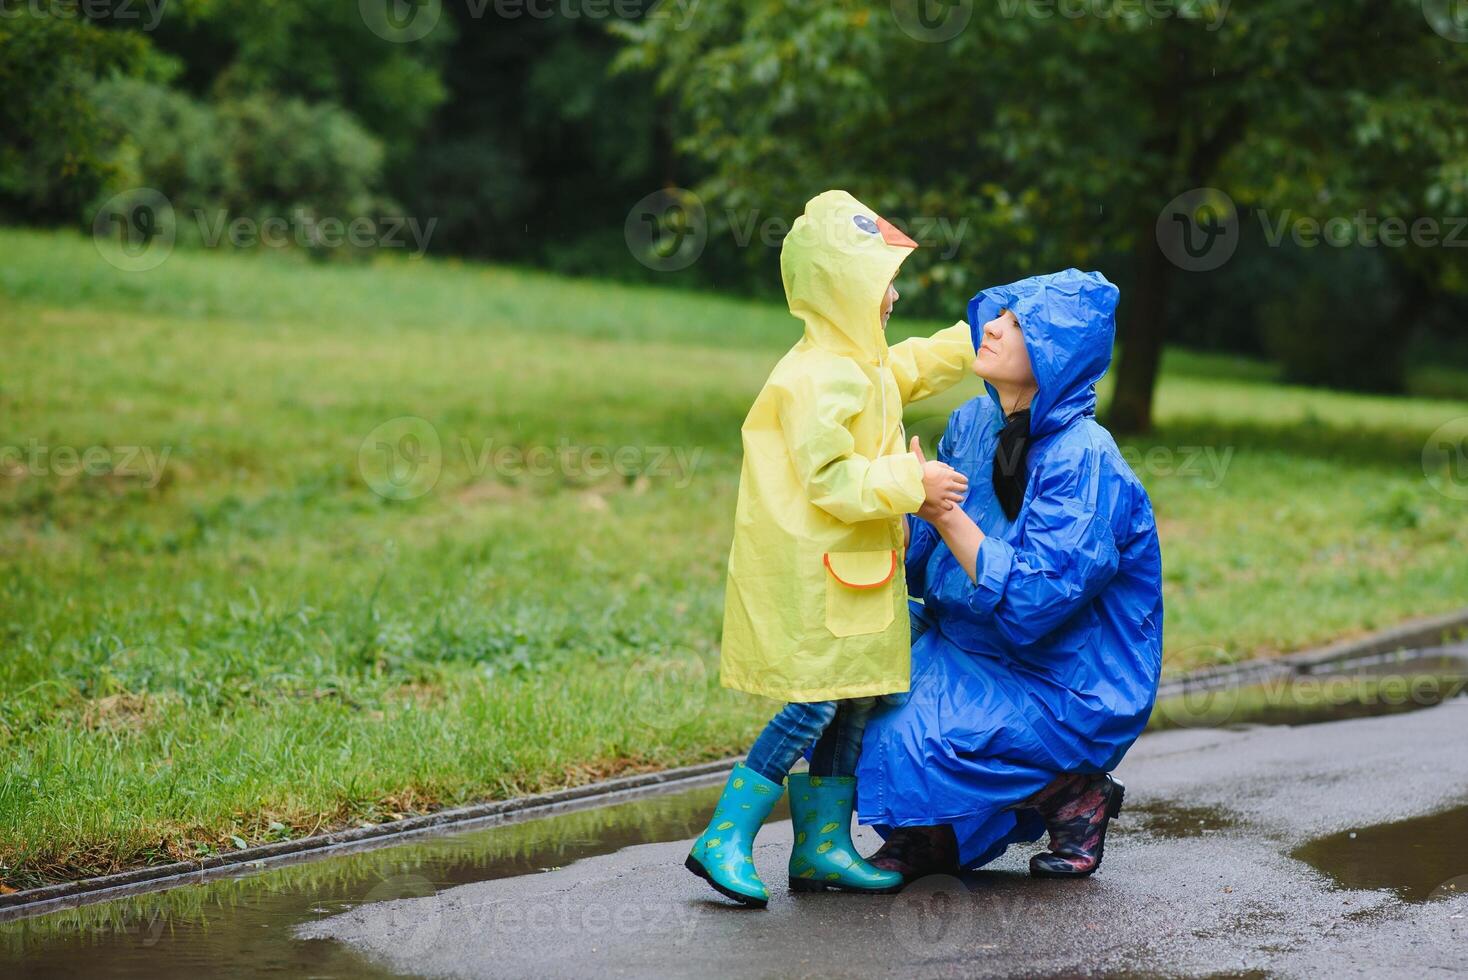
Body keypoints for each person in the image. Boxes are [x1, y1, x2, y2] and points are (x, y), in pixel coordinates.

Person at [685, 190, 976, 908]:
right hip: (818, 571)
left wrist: (972, 341)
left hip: (853, 571)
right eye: (880, 283)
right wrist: (915, 480)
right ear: (841, 290)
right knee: (814, 703)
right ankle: (724, 834)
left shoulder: (857, 358)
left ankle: (823, 844)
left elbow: (903, 368)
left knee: (855, 699)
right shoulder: (820, 373)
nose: (894, 294)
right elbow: (829, 478)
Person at [857, 269, 1163, 881]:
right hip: (972, 645)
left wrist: (943, 515)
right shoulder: (975, 423)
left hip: (1063, 675)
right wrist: (895, 494)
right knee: (844, 684)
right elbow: (924, 564)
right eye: (1000, 314)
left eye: (1020, 324)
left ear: (1058, 353)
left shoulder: (1085, 457)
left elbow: (1033, 600)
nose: (992, 327)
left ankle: (1071, 790)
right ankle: (931, 833)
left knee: (909, 739)